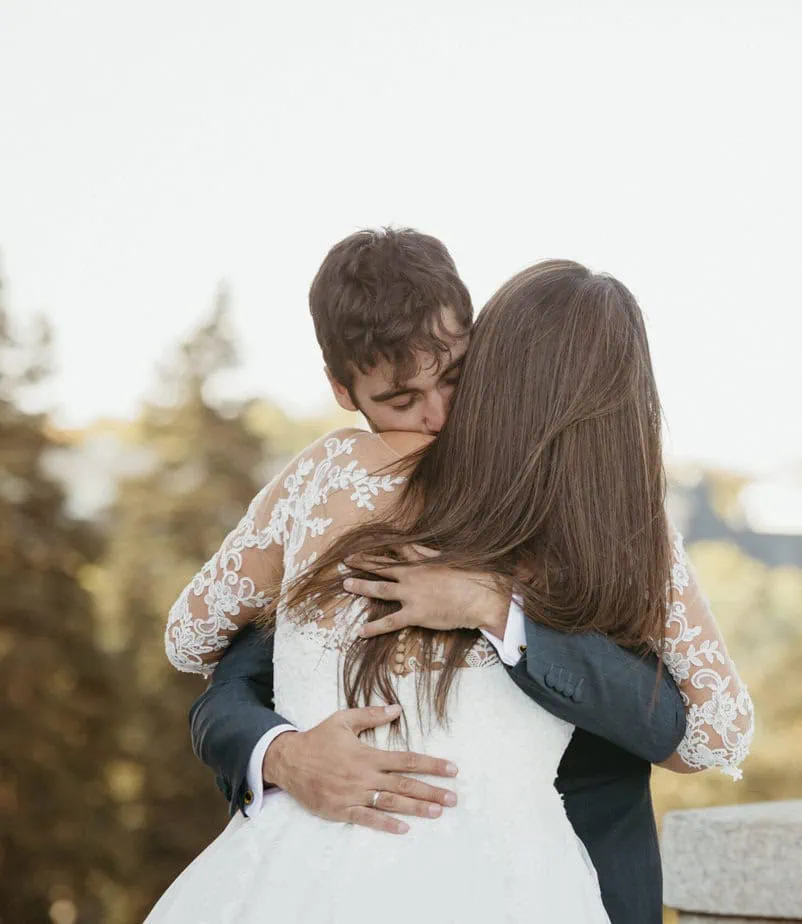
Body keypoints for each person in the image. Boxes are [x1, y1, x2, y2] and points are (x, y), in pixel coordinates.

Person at [160, 233, 752, 923]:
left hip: (561, 881)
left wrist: (499, 610)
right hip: (318, 875)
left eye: (454, 378)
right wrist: (282, 754)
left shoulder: (619, 530)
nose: (438, 417)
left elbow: (699, 733)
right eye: (404, 396)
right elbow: (226, 671)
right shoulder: (341, 484)